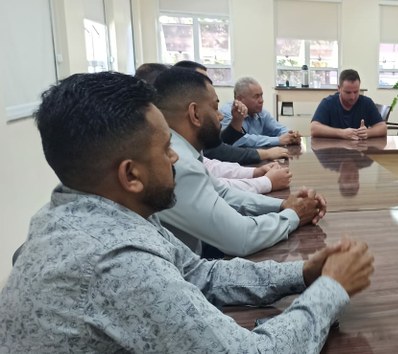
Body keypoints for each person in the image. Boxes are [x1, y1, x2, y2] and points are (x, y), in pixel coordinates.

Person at [0, 71, 374, 353]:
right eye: (165, 149)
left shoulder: (91, 213)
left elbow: (200, 272)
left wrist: (302, 273)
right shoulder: (115, 261)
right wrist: (330, 289)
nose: (176, 157)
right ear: (130, 174)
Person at [154, 68, 326, 257]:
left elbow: (224, 193)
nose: (220, 116)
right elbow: (242, 238)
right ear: (194, 113)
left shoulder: (185, 151)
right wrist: (295, 214)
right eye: (215, 108)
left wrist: (283, 205)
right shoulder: (178, 163)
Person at [135, 62, 292, 194]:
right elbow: (218, 154)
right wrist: (265, 181)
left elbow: (211, 165)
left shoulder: (182, 147)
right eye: (201, 81)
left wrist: (256, 173)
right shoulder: (173, 157)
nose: (220, 116)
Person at [173, 61, 291, 163]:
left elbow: (216, 150)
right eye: (214, 107)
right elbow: (219, 151)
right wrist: (266, 155)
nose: (220, 116)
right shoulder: (176, 155)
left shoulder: (191, 149)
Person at [220, 77, 302, 147]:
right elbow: (240, 140)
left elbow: (278, 128)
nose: (261, 100)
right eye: (256, 97)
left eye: (261, 95)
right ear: (240, 99)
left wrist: (291, 135)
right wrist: (278, 140)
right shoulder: (227, 113)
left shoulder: (261, 113)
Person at [311, 69, 386, 140]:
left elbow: (382, 128)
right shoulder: (328, 103)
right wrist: (341, 133)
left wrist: (368, 133)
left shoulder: (366, 103)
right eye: (348, 92)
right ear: (339, 88)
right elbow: (314, 128)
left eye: (356, 92)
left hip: (360, 151)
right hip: (333, 151)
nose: (352, 97)